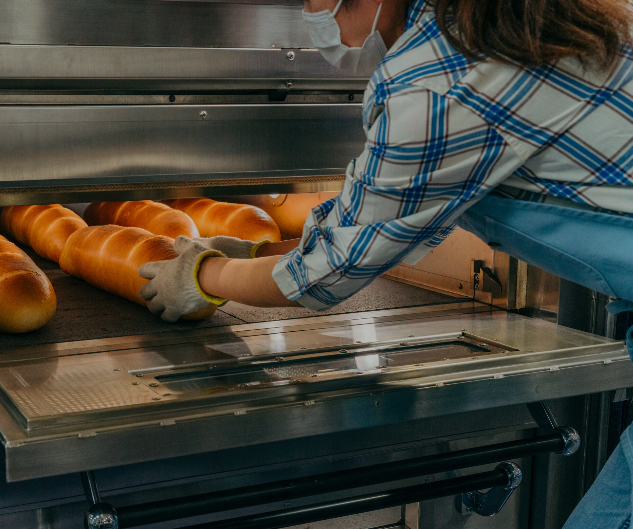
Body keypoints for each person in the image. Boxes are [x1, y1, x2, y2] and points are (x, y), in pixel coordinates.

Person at [139, 0, 633, 526]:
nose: (313, 14)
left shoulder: (433, 80)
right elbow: (385, 216)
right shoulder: (515, 23)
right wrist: (262, 253)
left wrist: (202, 274)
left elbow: (327, 274)